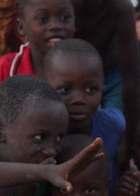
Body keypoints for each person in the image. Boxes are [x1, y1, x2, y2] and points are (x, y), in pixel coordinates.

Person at [63, 0, 140, 128]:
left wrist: (129, 136)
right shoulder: (56, 7)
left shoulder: (119, 8)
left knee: (116, 125)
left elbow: (130, 78)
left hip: (110, 76)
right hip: (64, 77)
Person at [0, 0, 75, 127]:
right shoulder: (9, 67)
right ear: (21, 27)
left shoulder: (80, 65)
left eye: (64, 17)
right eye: (43, 19)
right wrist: (22, 126)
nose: (55, 26)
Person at [42, 38, 126, 187]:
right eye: (65, 90)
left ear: (102, 89)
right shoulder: (39, 136)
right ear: (45, 88)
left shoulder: (113, 126)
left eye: (91, 89)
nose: (79, 99)